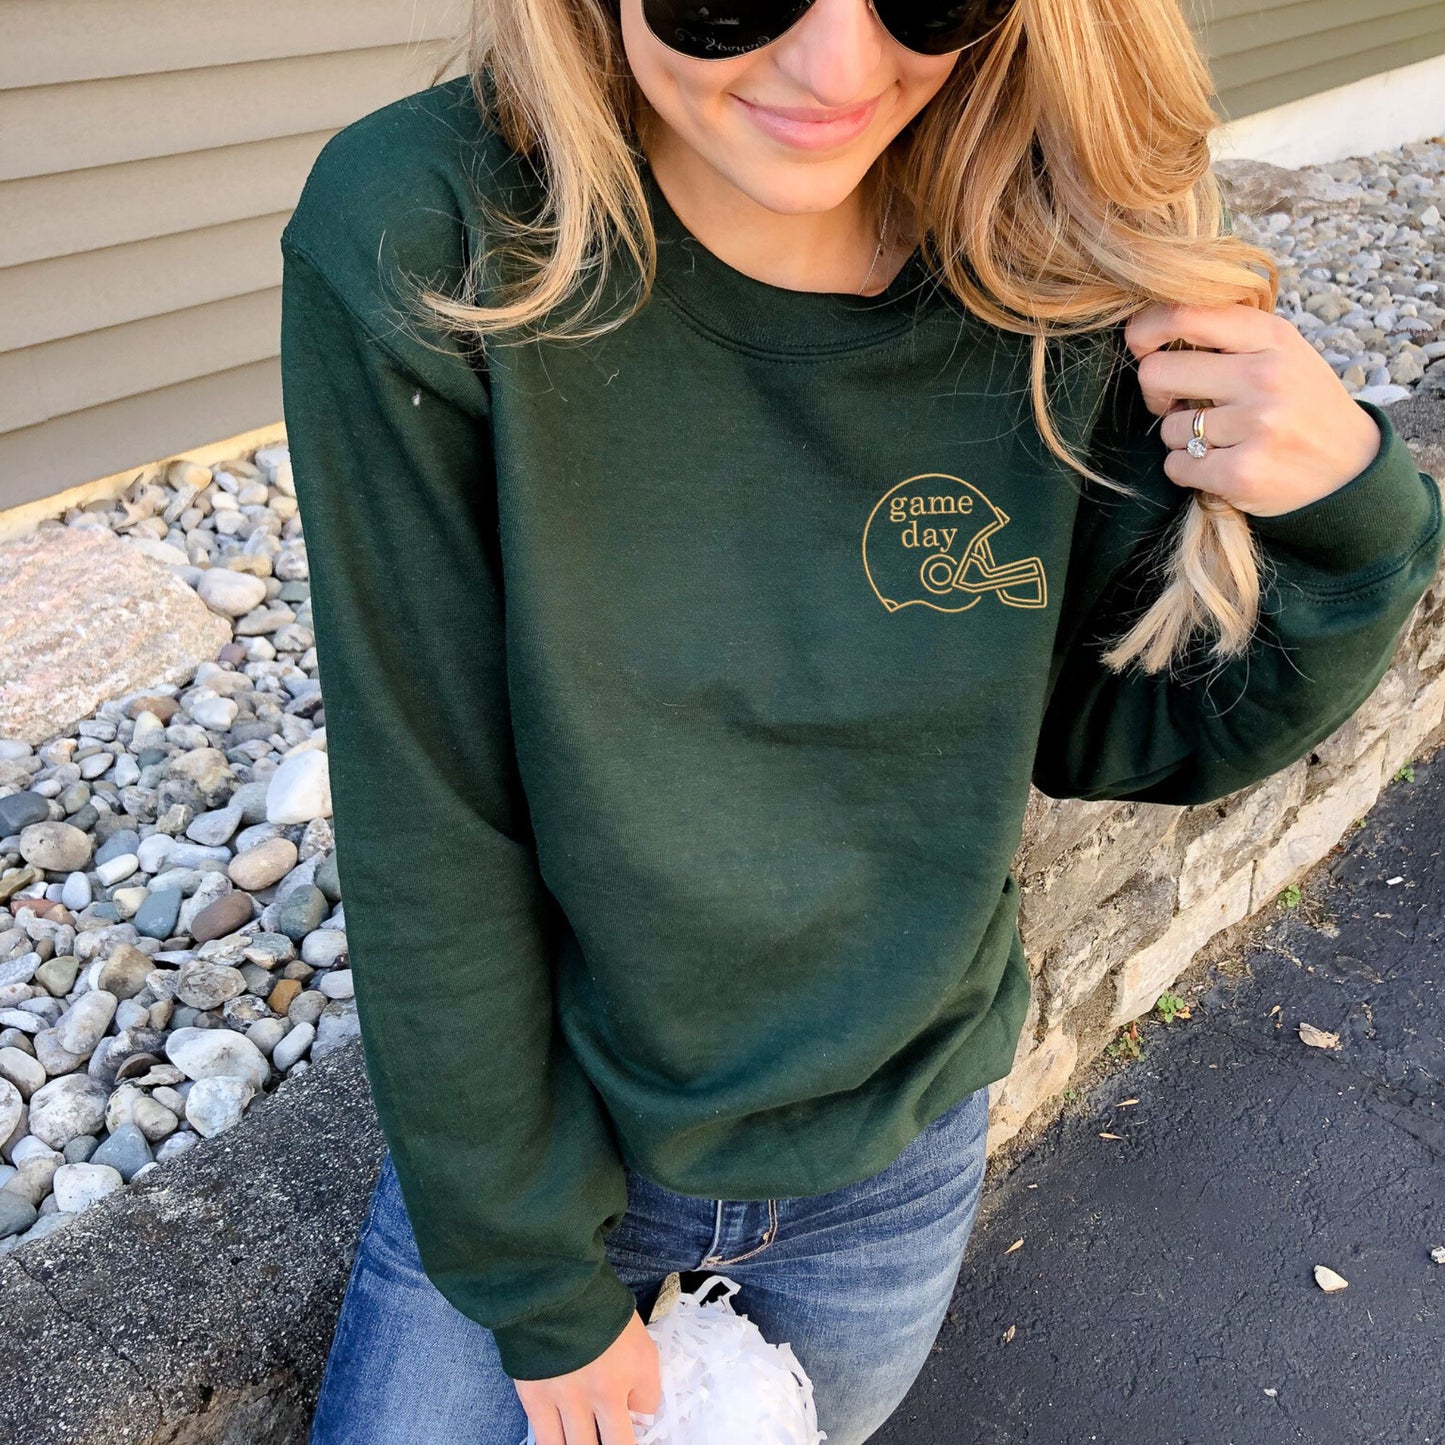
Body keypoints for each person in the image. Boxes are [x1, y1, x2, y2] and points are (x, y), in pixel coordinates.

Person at [278, 1, 1445, 1441]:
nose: (838, 71)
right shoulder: (435, 230)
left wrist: (1353, 521)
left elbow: (1118, 732)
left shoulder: (1034, 239)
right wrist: (530, 1278)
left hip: (893, 1165)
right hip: (565, 1139)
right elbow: (428, 799)